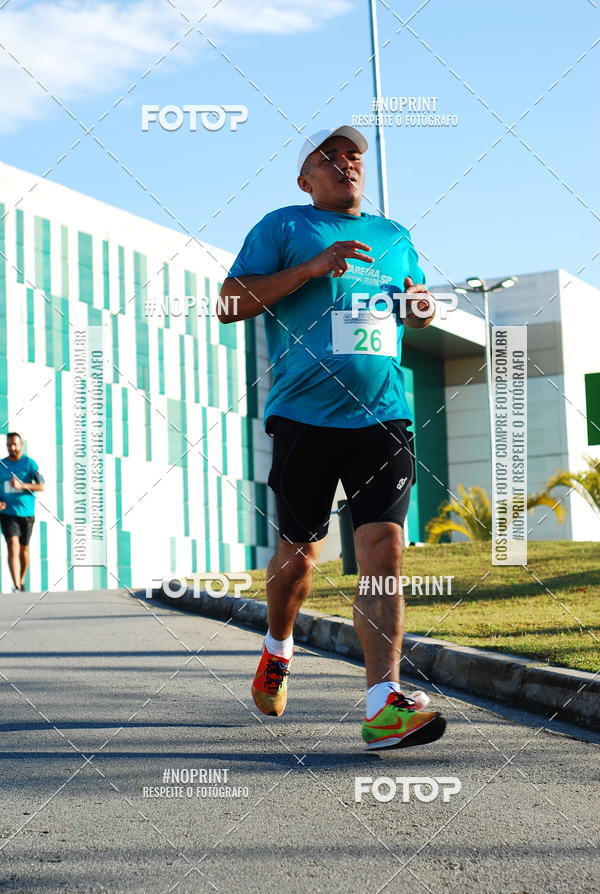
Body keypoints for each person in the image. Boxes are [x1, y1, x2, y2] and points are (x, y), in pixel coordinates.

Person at [218, 125, 447, 750]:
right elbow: (228, 303)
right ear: (305, 178)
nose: (346, 164)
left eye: (353, 157)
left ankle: (381, 704)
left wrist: (419, 305)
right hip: (303, 417)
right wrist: (314, 268)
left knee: (384, 548)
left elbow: (414, 300)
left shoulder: (395, 236)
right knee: (299, 555)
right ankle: (278, 645)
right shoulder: (283, 226)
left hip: (382, 415)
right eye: (331, 157)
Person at [0, 432, 45, 592]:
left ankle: (22, 578)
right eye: (8, 444)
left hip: (26, 513)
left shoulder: (29, 464)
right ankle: (17, 585)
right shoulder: (1, 464)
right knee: (13, 546)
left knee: (24, 549)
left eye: (14, 444)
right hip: (7, 513)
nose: (11, 447)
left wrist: (22, 485)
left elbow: (41, 486)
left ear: (21, 445)